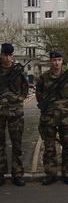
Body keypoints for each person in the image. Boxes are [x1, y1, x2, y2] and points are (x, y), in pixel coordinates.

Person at [36, 50, 68, 185]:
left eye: (59, 60)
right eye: (54, 60)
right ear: (50, 61)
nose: (56, 63)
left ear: (62, 61)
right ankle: (50, 174)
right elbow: (39, 94)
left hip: (66, 117)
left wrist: (66, 107)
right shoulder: (44, 77)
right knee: (49, 147)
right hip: (49, 118)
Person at [0, 42, 28, 186]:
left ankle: (17, 174)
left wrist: (16, 100)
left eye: (10, 55)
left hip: (15, 112)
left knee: (17, 144)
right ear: (1, 55)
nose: (7, 58)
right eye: (5, 55)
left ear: (13, 56)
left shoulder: (18, 71)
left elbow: (25, 90)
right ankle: (1, 174)